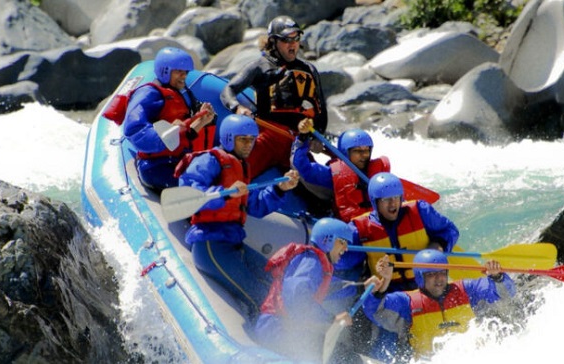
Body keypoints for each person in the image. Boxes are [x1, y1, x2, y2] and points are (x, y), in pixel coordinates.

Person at [174, 114, 300, 317]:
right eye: (243, 139)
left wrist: (280, 189)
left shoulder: (240, 167)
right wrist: (223, 194)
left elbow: (256, 206)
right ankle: (266, 341)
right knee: (260, 299)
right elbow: (187, 190)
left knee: (277, 280)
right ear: (228, 138)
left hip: (234, 245)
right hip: (211, 246)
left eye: (252, 140)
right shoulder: (210, 160)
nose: (249, 145)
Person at [220, 15, 329, 178]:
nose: (292, 44)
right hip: (269, 137)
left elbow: (321, 111)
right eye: (286, 40)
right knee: (238, 176)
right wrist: (237, 107)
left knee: (317, 190)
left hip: (298, 142)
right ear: (273, 42)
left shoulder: (309, 70)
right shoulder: (260, 66)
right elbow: (228, 90)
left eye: (296, 38)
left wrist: (317, 137)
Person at [254, 218, 376, 362]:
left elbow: (331, 288)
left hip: (280, 328)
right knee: (345, 358)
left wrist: (362, 287)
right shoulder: (311, 261)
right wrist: (332, 318)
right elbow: (296, 296)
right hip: (276, 329)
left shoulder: (315, 263)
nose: (346, 248)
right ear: (327, 240)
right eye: (342, 242)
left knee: (344, 355)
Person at [363, 250, 516, 362]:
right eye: (430, 275)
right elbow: (376, 312)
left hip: (472, 357)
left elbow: (505, 294)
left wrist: (497, 277)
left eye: (442, 273)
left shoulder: (466, 289)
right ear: (420, 277)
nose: (438, 279)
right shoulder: (407, 302)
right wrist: (383, 286)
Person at [338, 172, 460, 292]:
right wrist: (359, 285)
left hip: (425, 287)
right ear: (375, 202)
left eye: (396, 197)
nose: (393, 203)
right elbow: (339, 261)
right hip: (388, 292)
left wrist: (439, 245)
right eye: (386, 199)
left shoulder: (421, 211)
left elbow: (450, 230)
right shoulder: (359, 229)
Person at [123, 47, 216, 192]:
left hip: (178, 160)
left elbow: (181, 138)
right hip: (155, 165)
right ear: (164, 71)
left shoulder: (179, 94)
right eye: (179, 71)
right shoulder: (148, 94)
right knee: (196, 188)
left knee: (217, 176)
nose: (184, 76)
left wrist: (201, 122)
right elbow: (134, 129)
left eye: (185, 72)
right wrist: (166, 133)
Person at [293, 118, 391, 222]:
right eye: (357, 151)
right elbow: (302, 167)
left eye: (367, 150)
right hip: (352, 227)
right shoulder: (332, 174)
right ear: (345, 153)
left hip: (378, 223)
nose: (364, 155)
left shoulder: (378, 171)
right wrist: (303, 137)